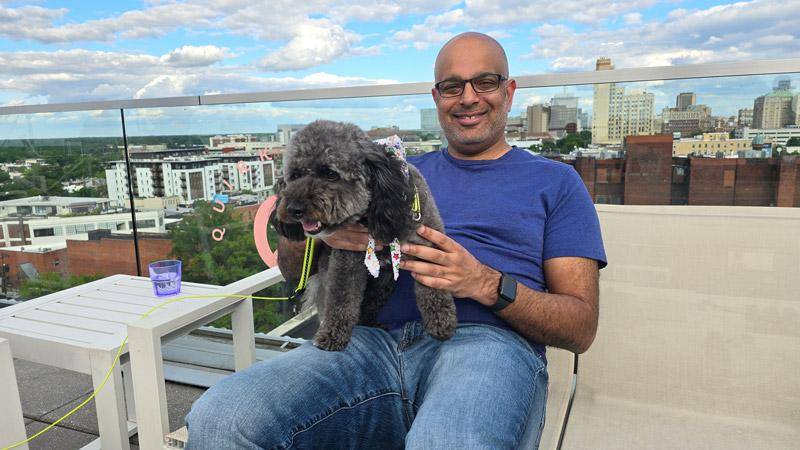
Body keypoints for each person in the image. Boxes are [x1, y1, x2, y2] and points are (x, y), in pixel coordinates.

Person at [185, 32, 606, 449]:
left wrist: (484, 283)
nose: (468, 97)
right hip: (367, 343)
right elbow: (291, 273)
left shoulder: (556, 182)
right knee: (221, 419)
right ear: (437, 97)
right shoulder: (387, 172)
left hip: (485, 346)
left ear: (508, 91)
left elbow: (580, 328)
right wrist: (319, 233)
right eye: (451, 86)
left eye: (485, 82)